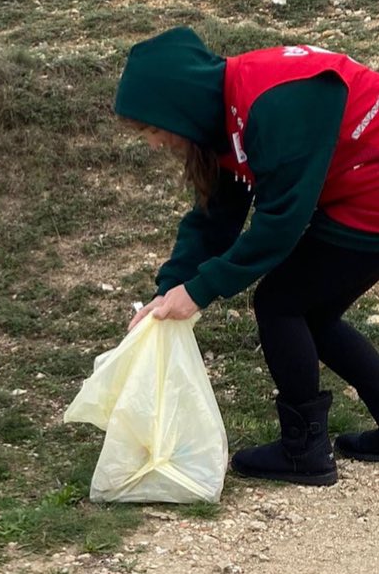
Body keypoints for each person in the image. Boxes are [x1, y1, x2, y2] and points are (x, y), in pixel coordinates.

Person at [115, 26, 379, 487]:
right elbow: (216, 219)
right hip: (356, 185)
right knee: (312, 312)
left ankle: (304, 453)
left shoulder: (273, 104)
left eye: (154, 130)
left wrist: (200, 291)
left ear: (182, 105)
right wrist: (168, 291)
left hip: (370, 189)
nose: (155, 144)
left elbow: (280, 223)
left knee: (282, 302)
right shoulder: (226, 115)